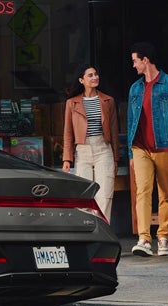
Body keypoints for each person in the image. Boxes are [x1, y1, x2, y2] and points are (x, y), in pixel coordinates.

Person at [127, 42, 168, 257]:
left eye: (135, 61)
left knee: (166, 193)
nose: (133, 65)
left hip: (166, 146)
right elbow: (130, 121)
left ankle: (164, 237)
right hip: (140, 147)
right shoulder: (135, 88)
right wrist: (129, 152)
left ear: (145, 60)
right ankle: (144, 239)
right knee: (143, 191)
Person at [62, 65, 120, 223]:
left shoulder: (108, 101)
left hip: (104, 149)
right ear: (81, 80)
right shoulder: (72, 103)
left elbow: (114, 131)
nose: (95, 77)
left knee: (104, 194)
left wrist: (116, 158)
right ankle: (86, 230)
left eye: (96, 74)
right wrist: (67, 159)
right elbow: (68, 132)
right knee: (83, 195)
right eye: (90, 75)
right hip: (83, 151)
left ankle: (102, 229)